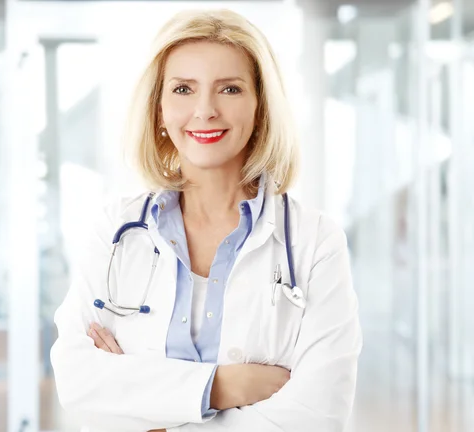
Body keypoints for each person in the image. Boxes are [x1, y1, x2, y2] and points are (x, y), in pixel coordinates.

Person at [50, 8, 362, 432]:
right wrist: (221, 387)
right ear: (159, 108)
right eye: (182, 89)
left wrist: (150, 409)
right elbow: (78, 382)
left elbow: (318, 415)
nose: (205, 110)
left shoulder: (314, 241)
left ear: (260, 107)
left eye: (230, 89)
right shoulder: (115, 231)